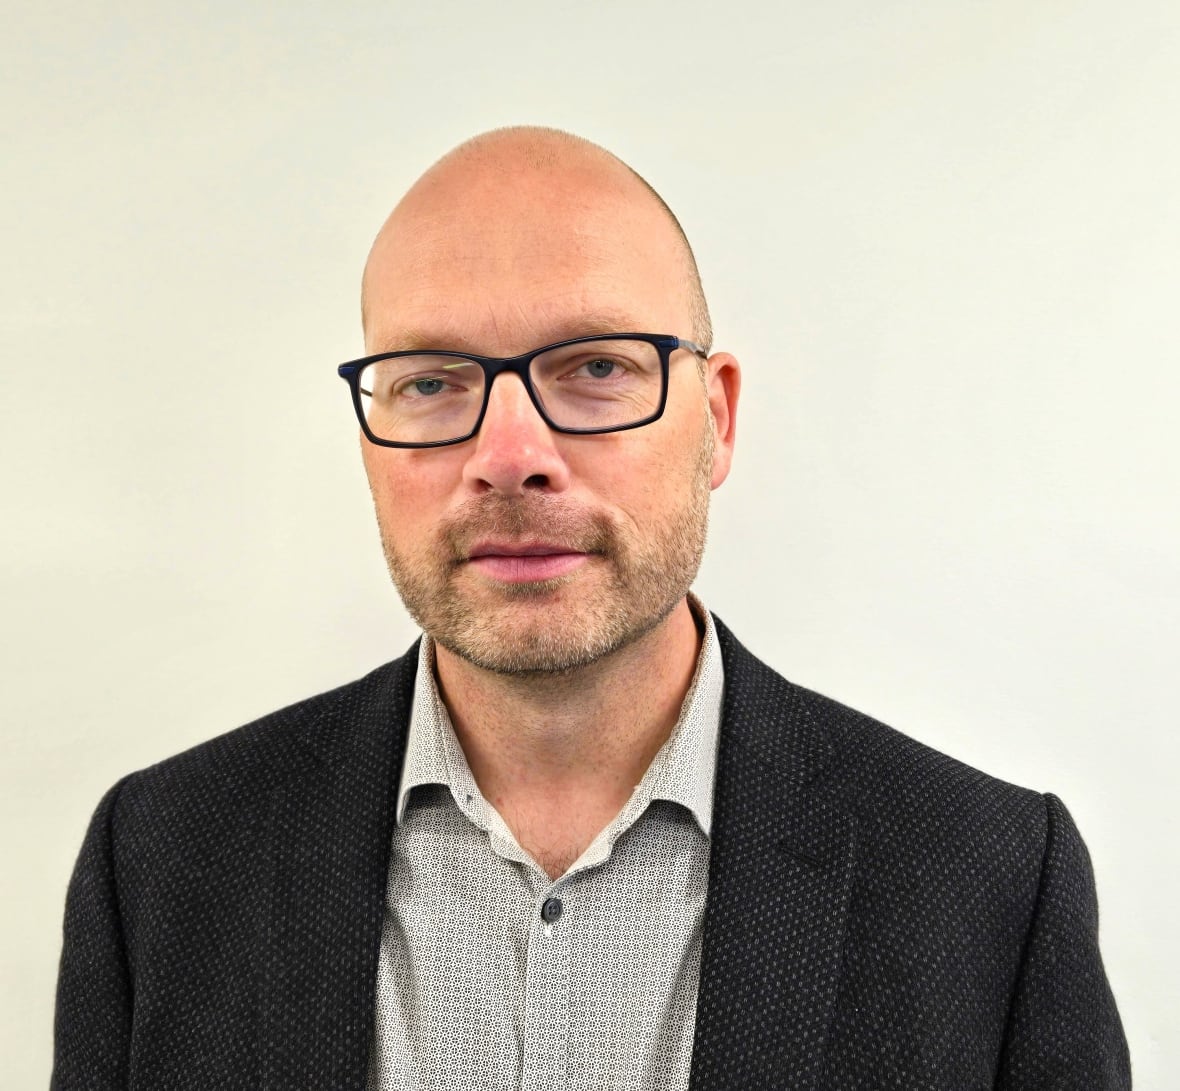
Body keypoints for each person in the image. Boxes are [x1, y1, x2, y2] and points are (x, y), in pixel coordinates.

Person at [52, 126, 1130, 1090]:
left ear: (715, 419)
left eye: (596, 367)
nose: (509, 456)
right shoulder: (161, 862)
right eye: (430, 381)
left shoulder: (985, 878)